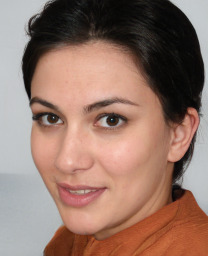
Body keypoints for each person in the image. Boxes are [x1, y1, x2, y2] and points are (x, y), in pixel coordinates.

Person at [22, 0, 208, 255]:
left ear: (178, 134)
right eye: (50, 118)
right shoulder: (73, 242)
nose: (66, 160)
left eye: (111, 120)